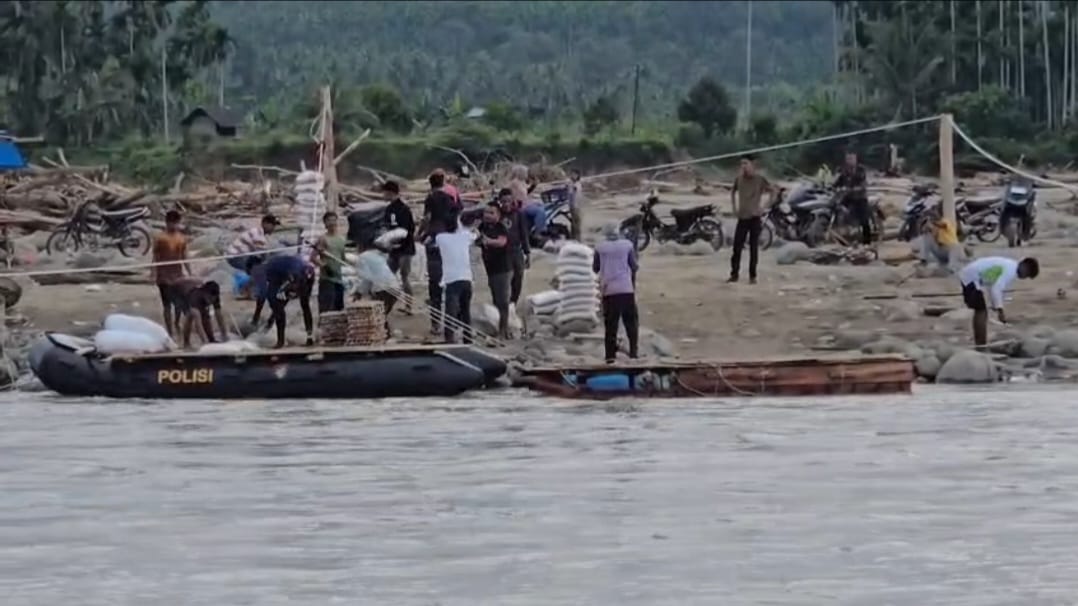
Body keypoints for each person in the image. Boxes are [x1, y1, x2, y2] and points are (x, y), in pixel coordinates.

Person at [958, 256, 1039, 349]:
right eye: (1027, 274)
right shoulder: (1010, 269)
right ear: (1025, 266)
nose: (1024, 277)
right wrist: (1000, 310)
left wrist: (995, 305)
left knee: (980, 310)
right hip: (971, 277)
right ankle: (981, 344)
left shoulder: (1010, 266)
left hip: (971, 276)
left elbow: (992, 285)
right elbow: (996, 288)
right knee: (981, 311)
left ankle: (980, 342)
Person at [419, 171, 460, 335]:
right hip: (450, 242)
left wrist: (419, 234)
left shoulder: (431, 198)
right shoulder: (451, 198)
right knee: (451, 282)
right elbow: (458, 217)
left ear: (430, 184)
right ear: (443, 183)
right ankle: (453, 322)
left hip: (434, 241)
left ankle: (435, 324)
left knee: (434, 283)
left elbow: (427, 218)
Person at [594, 222, 640, 363]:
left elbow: (595, 268)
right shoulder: (627, 245)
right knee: (631, 323)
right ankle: (633, 352)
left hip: (609, 291)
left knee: (611, 325)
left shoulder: (600, 248)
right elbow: (634, 266)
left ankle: (610, 356)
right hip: (626, 289)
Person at [253, 254, 315, 349]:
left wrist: (256, 318)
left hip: (299, 274)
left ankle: (280, 342)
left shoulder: (267, 271)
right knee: (303, 304)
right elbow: (282, 299)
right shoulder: (272, 266)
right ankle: (309, 338)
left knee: (278, 303)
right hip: (307, 271)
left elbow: (263, 296)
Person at [728, 154, 772, 284]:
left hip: (754, 218)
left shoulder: (760, 180)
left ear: (753, 165)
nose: (743, 166)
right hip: (742, 217)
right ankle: (734, 274)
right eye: (741, 164)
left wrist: (764, 207)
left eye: (746, 163)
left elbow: (773, 192)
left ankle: (752, 276)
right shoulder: (739, 179)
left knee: (753, 248)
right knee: (737, 247)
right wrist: (734, 207)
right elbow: (732, 191)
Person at [435, 219, 475, 344]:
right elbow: (476, 235)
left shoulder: (440, 237)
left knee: (450, 312)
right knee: (465, 310)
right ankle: (468, 338)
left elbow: (428, 242)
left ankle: (449, 339)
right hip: (467, 278)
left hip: (451, 279)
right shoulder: (466, 235)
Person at [151, 209, 189, 337]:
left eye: (176, 223)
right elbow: (155, 256)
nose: (173, 225)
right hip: (164, 276)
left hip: (177, 275)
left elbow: (184, 256)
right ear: (166, 223)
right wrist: (153, 272)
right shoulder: (160, 238)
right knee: (167, 305)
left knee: (179, 303)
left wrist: (190, 271)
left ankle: (177, 322)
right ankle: (170, 331)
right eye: (171, 223)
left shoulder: (181, 239)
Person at [226, 214, 280, 299]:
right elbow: (263, 254)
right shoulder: (258, 234)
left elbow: (262, 253)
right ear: (265, 223)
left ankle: (247, 290)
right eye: (272, 225)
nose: (273, 228)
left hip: (239, 255)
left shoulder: (258, 232)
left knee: (257, 268)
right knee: (259, 270)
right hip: (236, 256)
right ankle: (246, 291)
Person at [381, 180, 416, 312]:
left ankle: (408, 305)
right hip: (393, 249)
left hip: (405, 248)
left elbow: (409, 229)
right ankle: (387, 303)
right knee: (387, 275)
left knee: (404, 276)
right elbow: (386, 227)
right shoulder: (389, 209)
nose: (383, 195)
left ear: (390, 193)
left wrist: (399, 243)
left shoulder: (404, 209)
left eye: (385, 193)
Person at [478, 202, 511, 339]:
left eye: (491, 213)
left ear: (498, 215)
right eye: (486, 212)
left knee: (502, 300)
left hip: (502, 269)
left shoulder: (501, 227)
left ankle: (503, 330)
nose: (487, 215)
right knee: (496, 300)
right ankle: (501, 328)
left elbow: (502, 242)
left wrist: (487, 241)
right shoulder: (482, 226)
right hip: (490, 269)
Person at [354, 243, 401, 335]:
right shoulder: (378, 256)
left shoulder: (362, 257)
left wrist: (359, 292)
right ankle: (385, 333)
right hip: (394, 286)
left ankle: (382, 334)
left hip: (382, 289)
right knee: (381, 313)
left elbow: (366, 278)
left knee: (378, 314)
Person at [169, 277, 228, 349]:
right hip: (176, 291)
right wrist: (205, 342)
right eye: (209, 299)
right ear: (204, 294)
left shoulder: (215, 295)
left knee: (205, 315)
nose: (211, 302)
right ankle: (186, 343)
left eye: (213, 300)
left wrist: (224, 334)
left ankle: (211, 339)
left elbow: (219, 315)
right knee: (189, 315)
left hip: (190, 285)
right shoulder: (196, 298)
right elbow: (198, 325)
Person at [497, 187, 531, 306]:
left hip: (516, 251)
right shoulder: (496, 214)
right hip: (501, 253)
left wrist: (527, 253)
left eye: (508, 201)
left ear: (512, 201)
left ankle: (513, 302)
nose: (506, 204)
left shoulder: (519, 214)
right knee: (503, 280)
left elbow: (524, 234)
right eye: (503, 202)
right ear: (500, 201)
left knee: (518, 278)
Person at [832, 150, 872, 246]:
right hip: (847, 196)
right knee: (838, 209)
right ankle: (844, 233)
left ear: (856, 159)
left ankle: (867, 241)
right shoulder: (843, 170)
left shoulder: (861, 169)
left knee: (864, 219)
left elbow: (863, 182)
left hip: (859, 196)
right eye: (848, 159)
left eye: (852, 158)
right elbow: (837, 181)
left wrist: (856, 188)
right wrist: (833, 186)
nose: (850, 161)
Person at [314, 212, 347, 313]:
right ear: (325, 223)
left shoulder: (342, 239)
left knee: (339, 311)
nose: (332, 223)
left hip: (339, 279)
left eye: (334, 220)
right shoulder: (323, 239)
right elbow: (313, 258)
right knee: (327, 311)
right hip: (327, 280)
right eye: (329, 220)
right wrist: (324, 266)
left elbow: (343, 258)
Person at [568, 169, 584, 241]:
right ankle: (574, 238)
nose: (572, 176)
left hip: (577, 206)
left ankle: (578, 239)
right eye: (572, 174)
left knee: (577, 223)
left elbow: (576, 190)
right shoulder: (571, 184)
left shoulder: (577, 184)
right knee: (574, 223)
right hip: (572, 206)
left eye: (574, 174)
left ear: (577, 175)